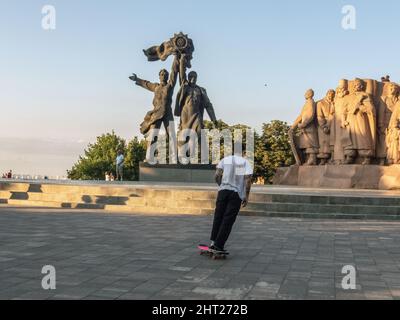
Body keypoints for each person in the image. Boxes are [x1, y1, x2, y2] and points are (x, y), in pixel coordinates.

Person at [208, 147, 253, 254]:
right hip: (236, 194)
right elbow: (247, 181)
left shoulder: (225, 159)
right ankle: (219, 245)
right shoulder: (244, 162)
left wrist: (221, 185)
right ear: (243, 152)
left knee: (218, 216)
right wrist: (246, 196)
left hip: (223, 191)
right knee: (228, 219)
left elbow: (217, 175)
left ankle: (213, 242)